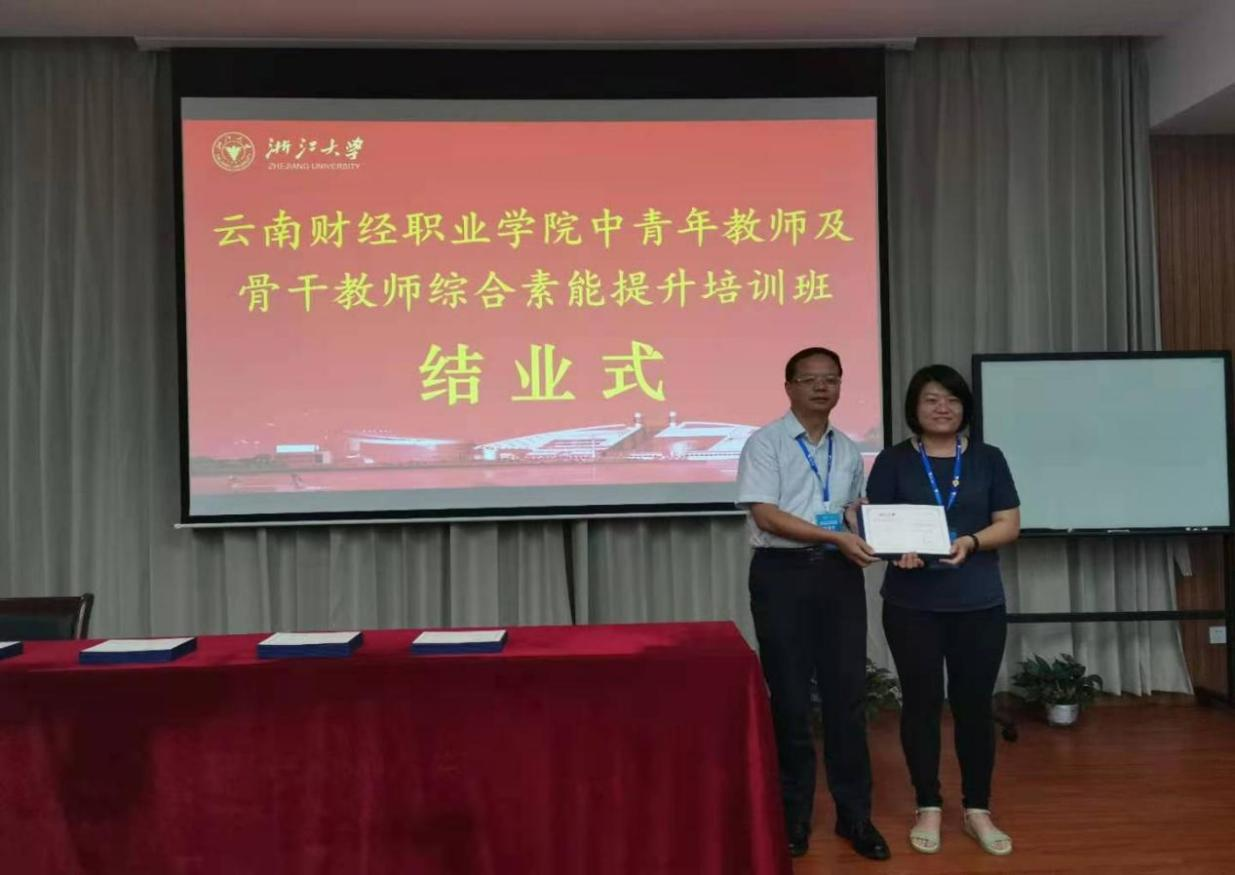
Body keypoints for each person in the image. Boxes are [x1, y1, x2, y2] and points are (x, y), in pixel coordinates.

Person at [736, 347, 889, 861]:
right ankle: (793, 818)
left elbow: (849, 512)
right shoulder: (765, 443)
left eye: (831, 379)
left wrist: (871, 530)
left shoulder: (848, 450)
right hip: (782, 575)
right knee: (791, 700)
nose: (822, 388)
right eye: (810, 379)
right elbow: (766, 515)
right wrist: (835, 537)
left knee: (848, 697)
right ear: (789, 387)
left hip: (838, 576)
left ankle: (855, 817)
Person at [863, 364, 1021, 857]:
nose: (942, 408)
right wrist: (897, 552)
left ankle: (978, 809)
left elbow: (1009, 523)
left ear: (964, 408)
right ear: (914, 407)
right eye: (931, 399)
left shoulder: (988, 458)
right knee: (921, 704)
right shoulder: (892, 460)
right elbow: (876, 524)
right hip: (912, 604)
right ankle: (927, 803)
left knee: (974, 706)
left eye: (952, 399)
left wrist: (971, 541)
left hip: (979, 602)